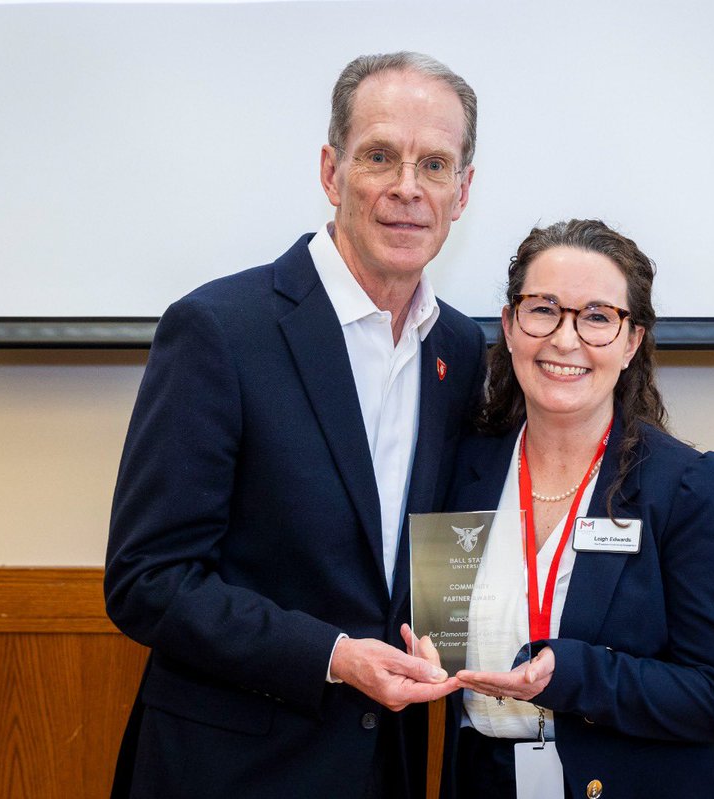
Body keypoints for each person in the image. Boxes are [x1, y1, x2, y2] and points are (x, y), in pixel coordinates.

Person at [103, 52, 486, 798]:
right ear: (331, 170)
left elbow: (439, 553)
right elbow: (148, 580)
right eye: (381, 156)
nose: (408, 188)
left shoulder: (461, 349)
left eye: (435, 165)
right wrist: (336, 654)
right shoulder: (219, 330)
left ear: (463, 191)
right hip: (234, 771)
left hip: (389, 770)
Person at [442, 219, 714, 799]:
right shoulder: (460, 473)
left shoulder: (688, 488)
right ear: (510, 327)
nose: (565, 340)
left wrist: (575, 675)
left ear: (632, 340)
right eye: (544, 310)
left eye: (596, 317)